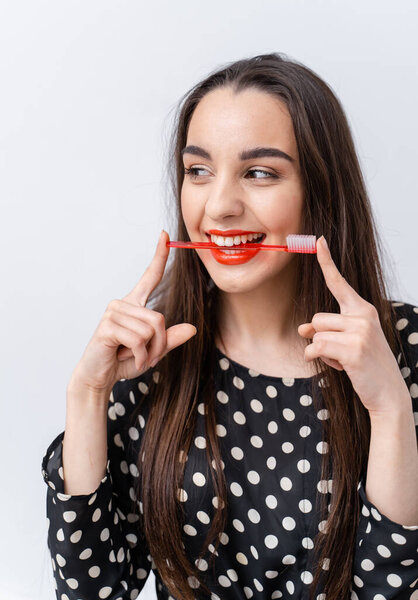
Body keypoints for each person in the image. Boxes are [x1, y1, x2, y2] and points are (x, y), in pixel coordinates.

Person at [41, 52, 418, 600]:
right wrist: (87, 393)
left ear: (320, 192)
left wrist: (389, 411)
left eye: (260, 173)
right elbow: (91, 592)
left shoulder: (402, 347)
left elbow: (393, 590)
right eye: (198, 171)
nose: (218, 206)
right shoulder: (147, 358)